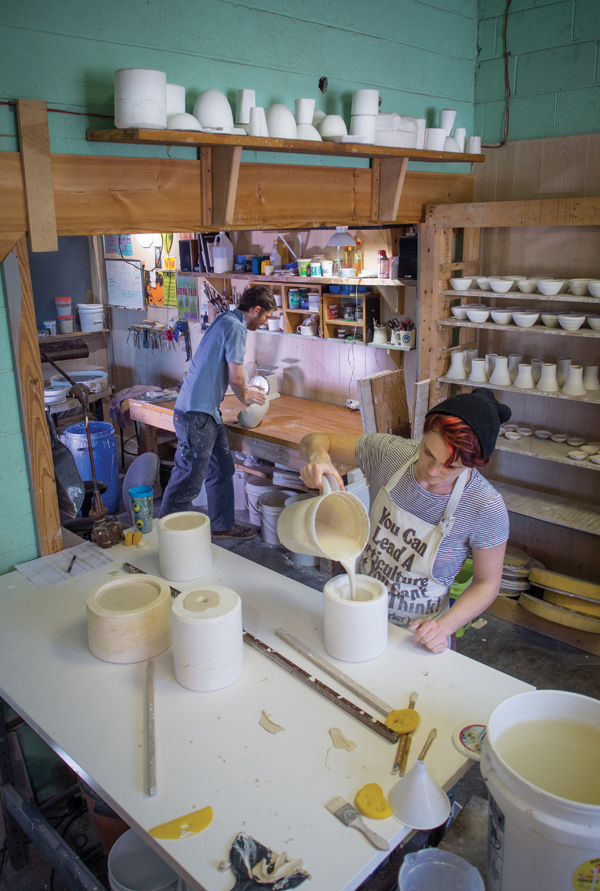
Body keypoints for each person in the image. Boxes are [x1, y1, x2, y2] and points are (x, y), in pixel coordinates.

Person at [299, 388, 511, 653]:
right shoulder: (390, 455)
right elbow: (315, 439)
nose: (432, 471)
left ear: (475, 464)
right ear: (423, 435)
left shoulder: (485, 507)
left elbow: (487, 583)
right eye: (428, 452)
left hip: (419, 636)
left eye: (451, 467)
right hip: (359, 611)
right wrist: (319, 458)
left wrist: (443, 627)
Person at [160, 285, 276, 540]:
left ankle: (222, 525)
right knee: (186, 481)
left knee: (222, 469)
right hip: (195, 416)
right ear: (255, 310)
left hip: (206, 413)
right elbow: (236, 375)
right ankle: (168, 538)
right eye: (265, 316)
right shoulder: (236, 327)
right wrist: (246, 396)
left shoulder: (225, 319)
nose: (265, 321)